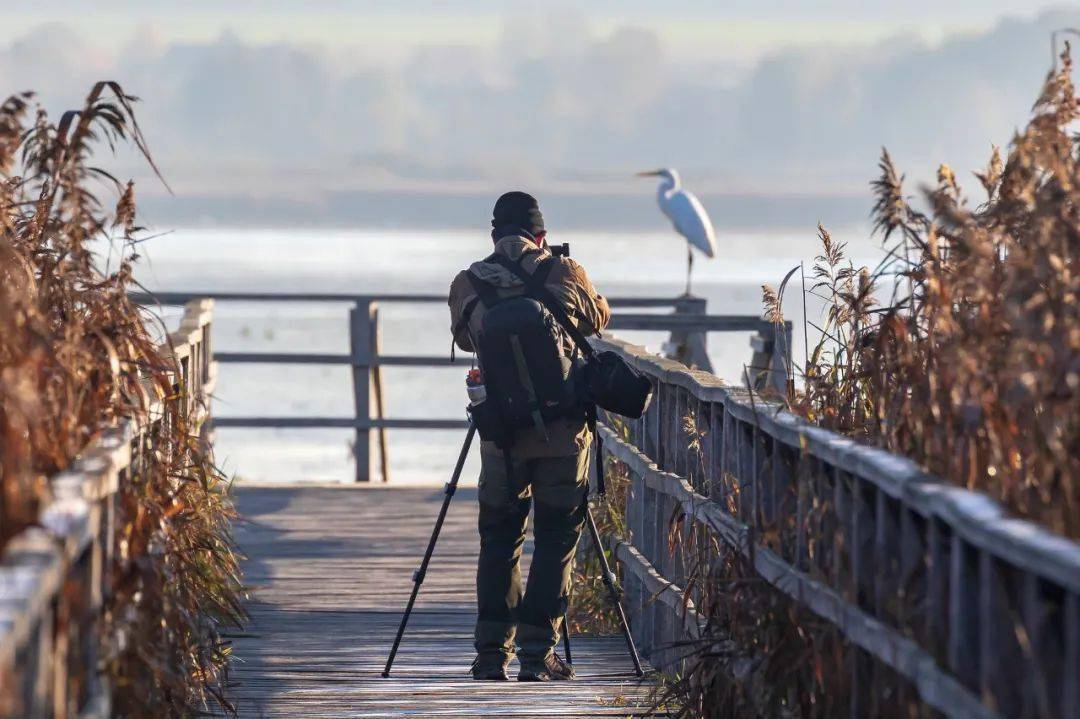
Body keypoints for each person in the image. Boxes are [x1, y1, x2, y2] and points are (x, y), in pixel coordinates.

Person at [448, 191, 610, 682]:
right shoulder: (565, 273)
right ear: (540, 235)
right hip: (563, 433)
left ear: (494, 236)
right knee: (558, 536)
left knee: (499, 537)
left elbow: (463, 339)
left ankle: (490, 655)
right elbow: (598, 318)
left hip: (501, 435)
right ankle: (538, 655)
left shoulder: (468, 282)